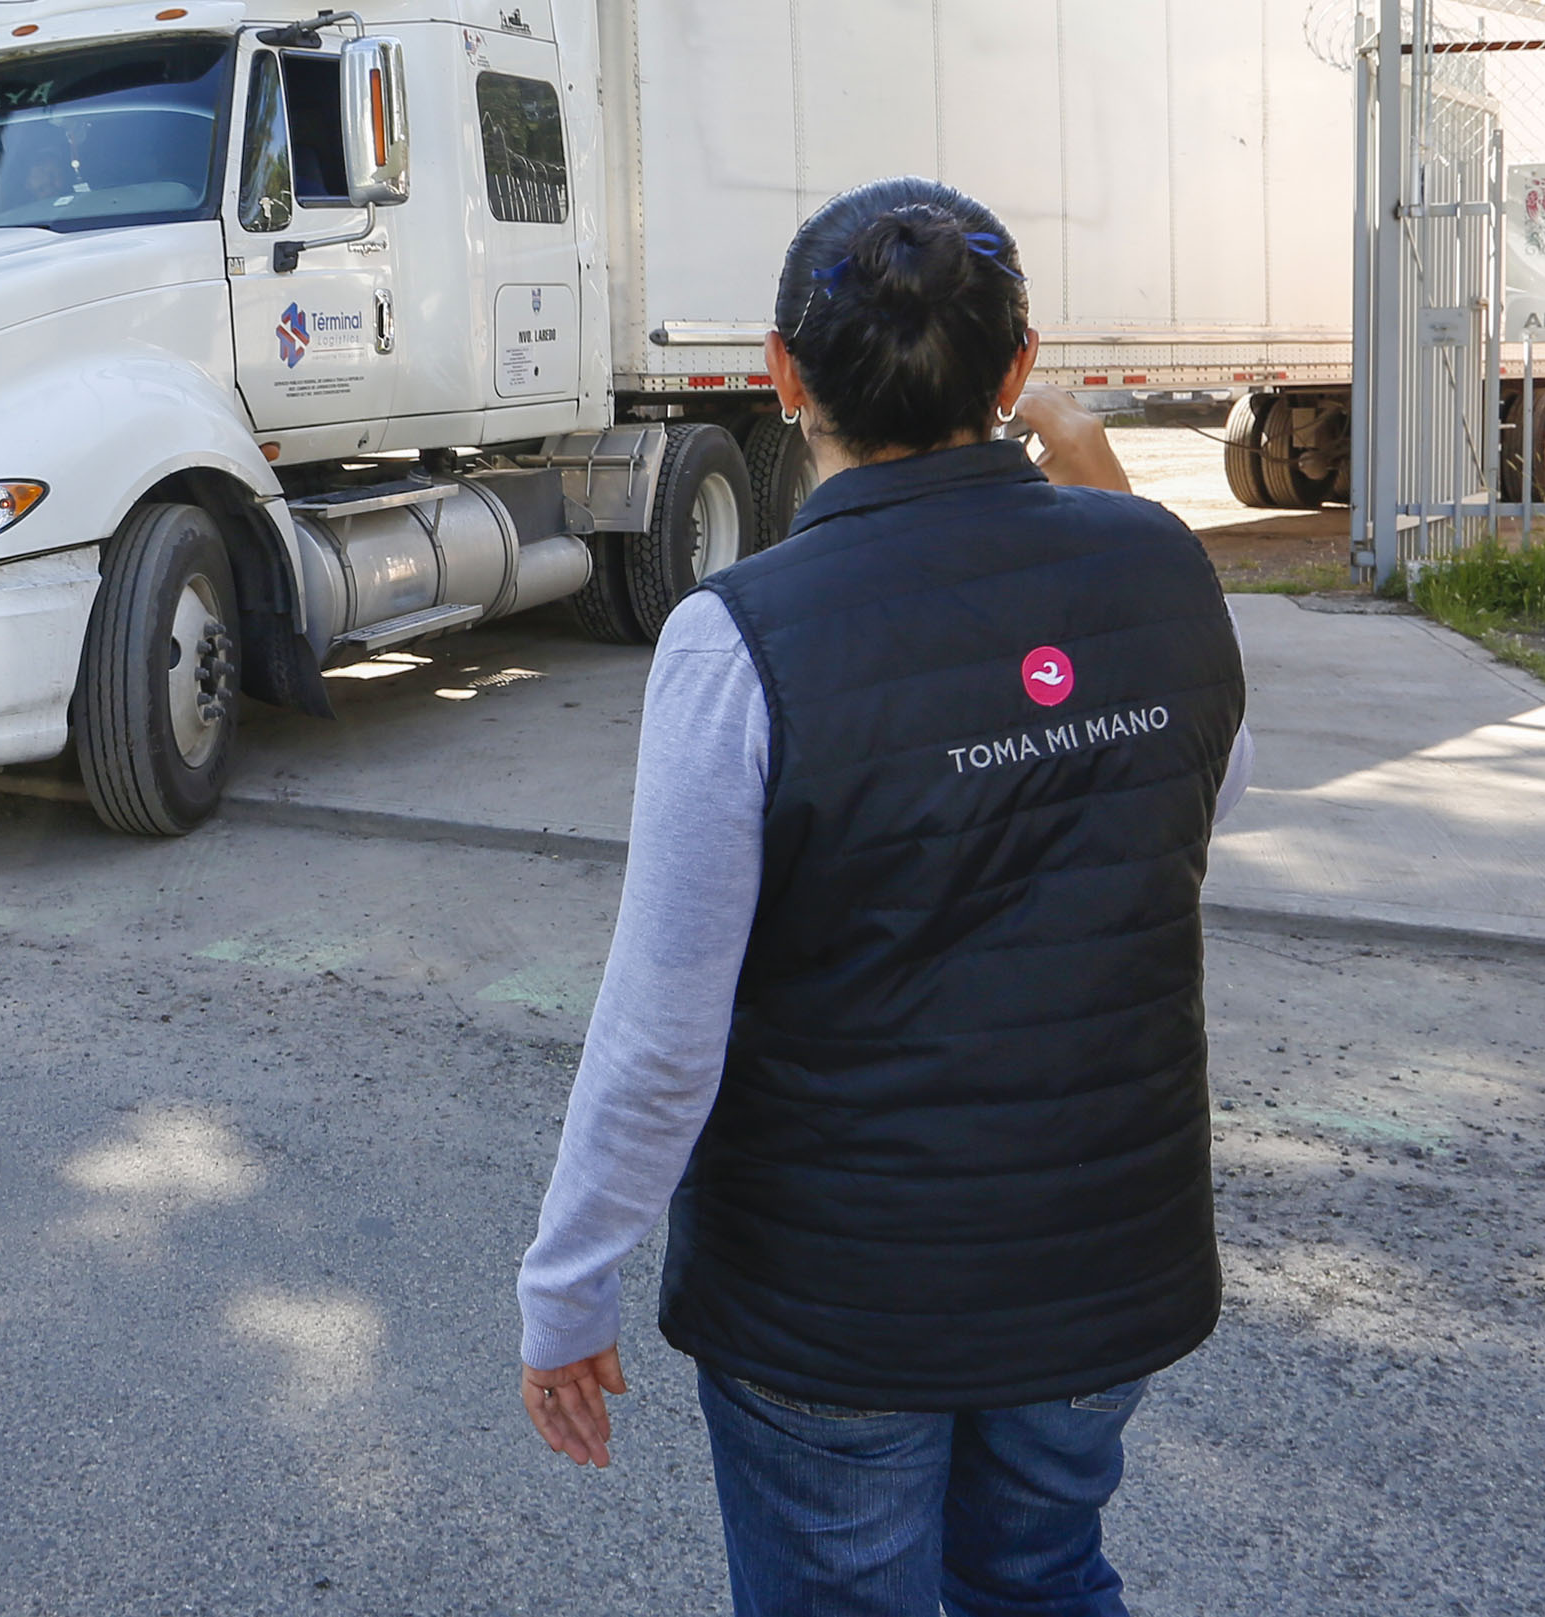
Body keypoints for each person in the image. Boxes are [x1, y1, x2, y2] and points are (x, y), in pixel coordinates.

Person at [512, 178, 1253, 1617]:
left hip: (834, 1310)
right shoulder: (1160, 564)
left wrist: (568, 1284)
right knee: (1040, 1576)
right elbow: (1200, 804)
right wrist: (1090, 474)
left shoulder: (742, 637)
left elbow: (665, 1029)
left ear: (782, 376)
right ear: (1019, 366)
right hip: (1102, 1261)